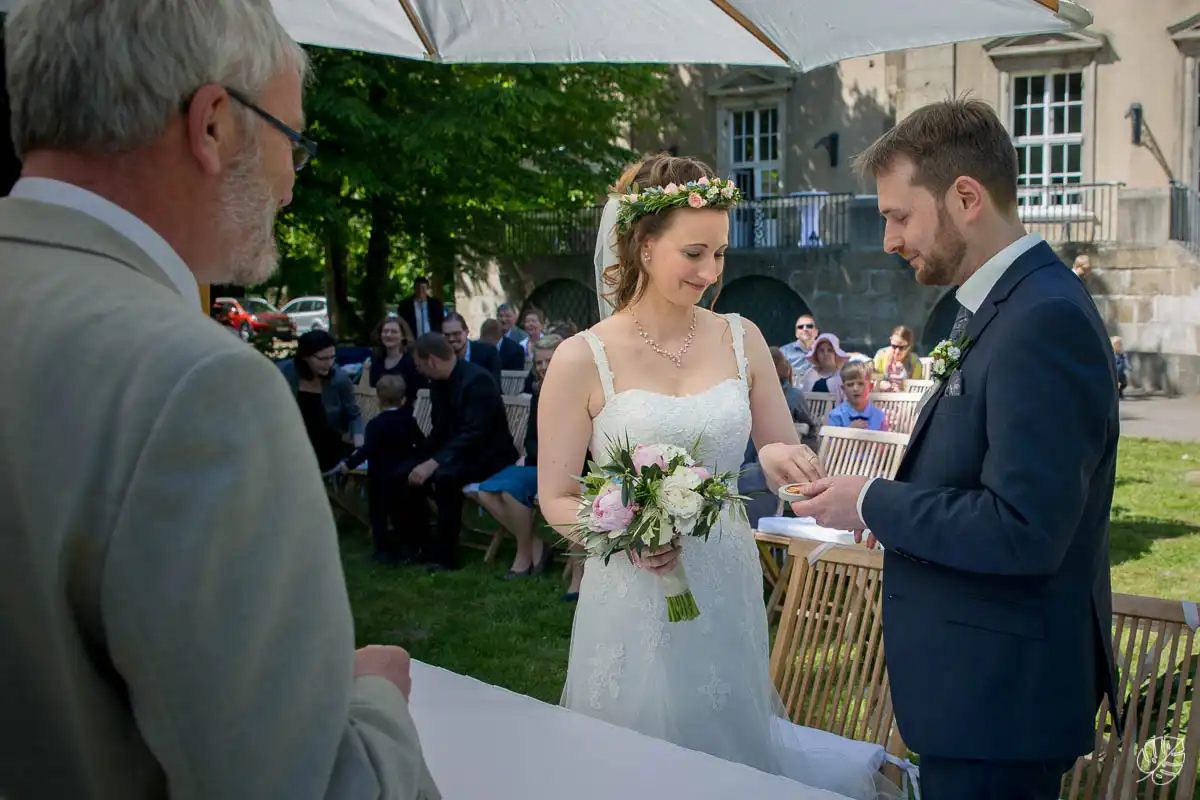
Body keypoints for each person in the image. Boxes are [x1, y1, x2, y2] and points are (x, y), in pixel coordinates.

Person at [0, 1, 440, 797]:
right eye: (293, 141)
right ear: (211, 125)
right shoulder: (199, 385)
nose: (288, 185)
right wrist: (373, 702)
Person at [792, 98, 1118, 800]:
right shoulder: (1009, 304)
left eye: (898, 215)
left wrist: (873, 499)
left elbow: (1025, 530)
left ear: (965, 197)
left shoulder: (1044, 319)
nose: (887, 240)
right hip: (977, 695)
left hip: (1002, 705)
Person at [537, 154, 827, 779]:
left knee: (726, 751)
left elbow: (775, 446)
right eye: (694, 253)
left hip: (725, 575)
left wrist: (781, 457)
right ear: (643, 245)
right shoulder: (579, 358)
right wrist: (622, 534)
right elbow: (556, 498)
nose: (711, 272)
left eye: (720, 254)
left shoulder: (741, 336)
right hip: (633, 588)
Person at [410, 332, 518, 571]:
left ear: (433, 361)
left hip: (490, 456)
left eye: (420, 366)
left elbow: (473, 433)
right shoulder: (438, 383)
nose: (420, 372)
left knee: (444, 477)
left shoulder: (477, 381)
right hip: (461, 453)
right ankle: (421, 545)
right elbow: (440, 428)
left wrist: (433, 462)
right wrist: (420, 455)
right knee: (407, 469)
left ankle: (446, 557)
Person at [467, 334, 564, 577]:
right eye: (539, 363)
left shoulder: (576, 392)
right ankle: (535, 545)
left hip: (566, 468)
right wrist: (538, 455)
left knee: (510, 493)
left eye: (549, 361)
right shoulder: (539, 392)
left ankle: (523, 555)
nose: (543, 368)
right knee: (485, 492)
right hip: (538, 463)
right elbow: (530, 438)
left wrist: (547, 458)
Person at [339, 375, 426, 565]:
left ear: (378, 400)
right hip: (403, 475)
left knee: (379, 514)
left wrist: (349, 464)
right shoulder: (409, 420)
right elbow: (422, 444)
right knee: (401, 514)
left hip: (381, 476)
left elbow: (367, 449)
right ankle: (405, 548)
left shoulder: (376, 424)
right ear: (403, 399)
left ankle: (383, 551)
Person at [279, 329, 364, 471]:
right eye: (322, 359)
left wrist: (359, 445)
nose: (328, 364)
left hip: (327, 445)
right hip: (290, 443)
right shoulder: (285, 372)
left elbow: (353, 414)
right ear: (305, 357)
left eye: (332, 358)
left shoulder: (339, 380)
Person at [365, 314, 426, 398]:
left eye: (394, 332)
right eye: (385, 331)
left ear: (403, 336)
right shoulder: (376, 360)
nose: (389, 335)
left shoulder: (412, 363)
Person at [441, 311, 502, 387]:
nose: (451, 339)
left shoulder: (488, 353)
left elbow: (494, 386)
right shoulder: (441, 357)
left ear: (466, 332)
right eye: (447, 335)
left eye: (456, 333)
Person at [826, 362, 888, 431]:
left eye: (861, 384)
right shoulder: (836, 416)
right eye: (850, 385)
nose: (855, 388)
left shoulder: (879, 415)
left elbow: (886, 441)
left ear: (870, 387)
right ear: (843, 389)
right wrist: (848, 431)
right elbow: (829, 441)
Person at [872, 324, 923, 392]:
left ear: (909, 346)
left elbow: (916, 388)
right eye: (894, 346)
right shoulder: (881, 355)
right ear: (891, 341)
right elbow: (872, 378)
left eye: (901, 348)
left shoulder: (915, 362)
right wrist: (882, 384)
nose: (897, 351)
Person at [800, 332, 849, 400]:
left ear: (836, 354)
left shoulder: (843, 376)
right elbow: (802, 398)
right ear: (816, 354)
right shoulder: (809, 373)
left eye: (830, 350)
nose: (825, 354)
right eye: (821, 350)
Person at [779, 313, 819, 382]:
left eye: (809, 326)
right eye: (800, 327)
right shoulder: (783, 352)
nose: (805, 329)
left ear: (816, 332)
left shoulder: (824, 351)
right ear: (796, 333)